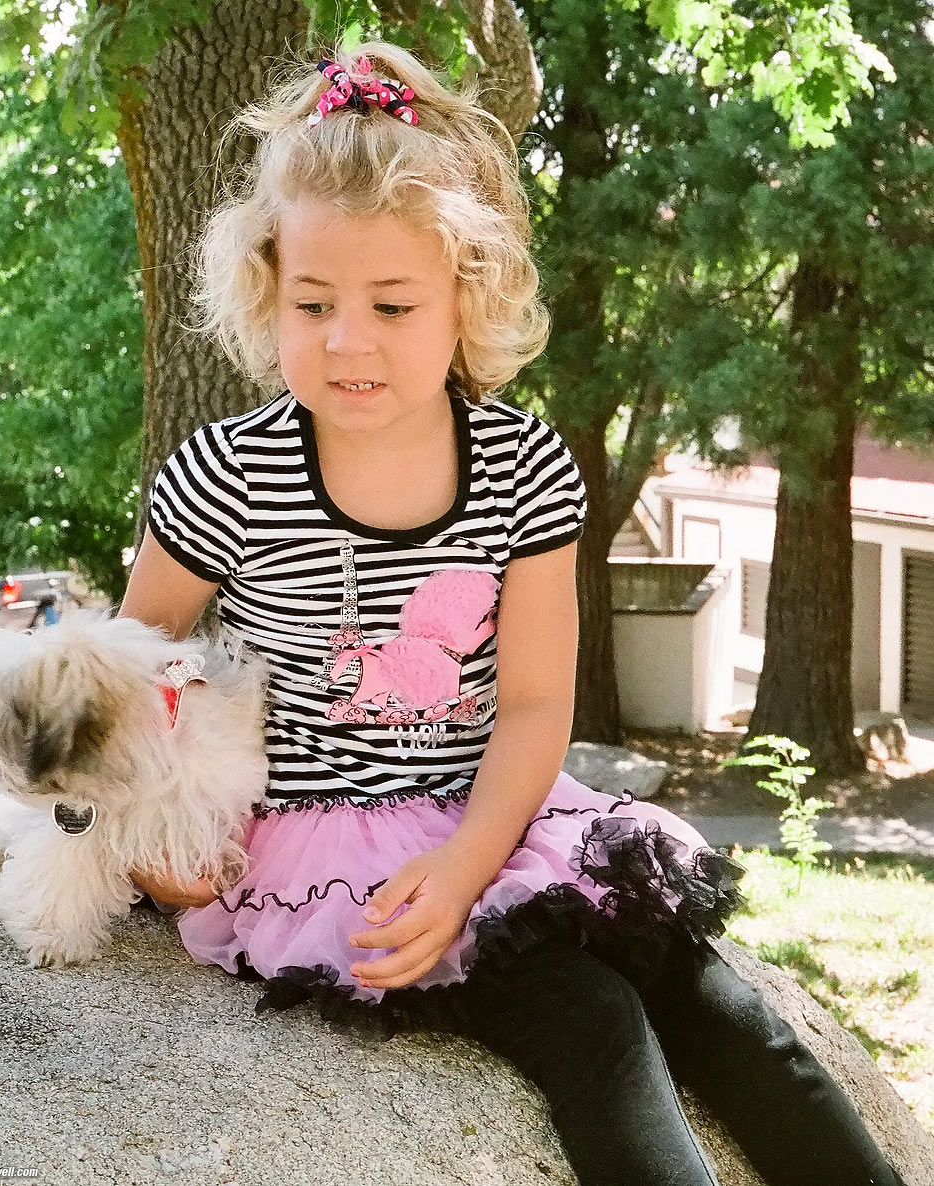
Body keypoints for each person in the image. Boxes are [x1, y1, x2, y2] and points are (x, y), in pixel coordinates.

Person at [117, 41, 906, 1186]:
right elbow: (130, 679)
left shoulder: (521, 467)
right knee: (591, 1021)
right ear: (264, 291)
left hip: (495, 813)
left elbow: (535, 702)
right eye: (313, 301)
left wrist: (469, 861)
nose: (349, 339)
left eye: (392, 303)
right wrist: (148, 849)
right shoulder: (225, 474)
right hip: (316, 845)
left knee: (722, 1003)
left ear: (465, 296)